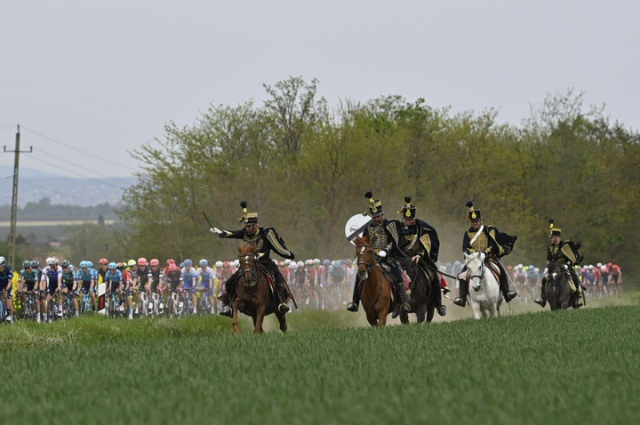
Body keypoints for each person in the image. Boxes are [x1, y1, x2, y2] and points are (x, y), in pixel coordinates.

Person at [210, 201, 295, 315]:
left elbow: (275, 248)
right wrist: (221, 232)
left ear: (256, 225)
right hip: (248, 264)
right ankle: (231, 307)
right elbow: (233, 233)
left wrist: (287, 254)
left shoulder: (265, 234)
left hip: (265, 263)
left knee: (278, 278)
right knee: (230, 282)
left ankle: (281, 303)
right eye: (246, 226)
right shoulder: (245, 233)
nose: (247, 229)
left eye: (249, 226)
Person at [347, 192, 410, 317]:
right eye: (374, 217)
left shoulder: (388, 225)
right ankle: (355, 303)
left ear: (382, 214)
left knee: (398, 275)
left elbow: (393, 242)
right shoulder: (368, 227)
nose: (377, 219)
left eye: (378, 216)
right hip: (372, 259)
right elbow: (364, 242)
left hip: (388, 258)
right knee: (360, 276)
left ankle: (403, 303)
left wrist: (385, 251)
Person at [453, 201, 518, 307]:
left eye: (477, 221)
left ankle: (507, 293)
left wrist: (485, 252)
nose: (475, 223)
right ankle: (462, 298)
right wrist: (473, 253)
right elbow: (465, 248)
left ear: (481, 221)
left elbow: (492, 244)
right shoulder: (467, 233)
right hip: (474, 260)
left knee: (501, 271)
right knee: (462, 275)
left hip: (488, 258)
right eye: (473, 222)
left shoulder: (488, 231)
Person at [397, 197, 446, 317]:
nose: (407, 221)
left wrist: (419, 255)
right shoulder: (398, 228)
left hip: (420, 259)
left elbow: (427, 245)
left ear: (413, 219)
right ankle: (396, 305)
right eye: (405, 219)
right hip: (403, 260)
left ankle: (439, 304)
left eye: (410, 219)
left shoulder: (423, 228)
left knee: (434, 275)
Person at [534, 219, 584, 308]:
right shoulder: (549, 247)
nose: (551, 239)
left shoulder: (565, 246)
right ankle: (543, 299)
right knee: (544, 279)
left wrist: (567, 264)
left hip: (565, 266)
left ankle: (576, 298)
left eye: (553, 237)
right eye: (551, 237)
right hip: (553, 268)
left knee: (574, 278)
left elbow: (571, 258)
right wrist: (549, 266)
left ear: (557, 238)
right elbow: (548, 258)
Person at [0, 256, 14, 323]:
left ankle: (9, 314)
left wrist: (6, 289)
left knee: (7, 296)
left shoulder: (8, 270)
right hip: (1, 286)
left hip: (8, 286)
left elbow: (10, 282)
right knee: (2, 299)